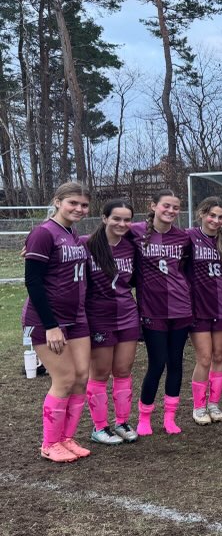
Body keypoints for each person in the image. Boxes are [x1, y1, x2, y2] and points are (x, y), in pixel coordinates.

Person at [24, 181, 93, 462]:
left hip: (76, 317)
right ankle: (49, 443)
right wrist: (51, 326)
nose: (79, 208)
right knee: (64, 379)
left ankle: (66, 437)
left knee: (81, 378)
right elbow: (33, 281)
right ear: (57, 202)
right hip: (48, 320)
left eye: (84, 205)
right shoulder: (43, 233)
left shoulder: (73, 234)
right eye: (72, 203)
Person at [132, 189, 193, 436]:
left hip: (181, 308)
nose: (170, 211)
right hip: (152, 309)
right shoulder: (135, 231)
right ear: (153, 206)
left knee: (175, 363)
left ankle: (170, 417)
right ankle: (144, 417)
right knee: (156, 363)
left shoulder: (183, 237)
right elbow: (102, 237)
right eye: (166, 205)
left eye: (175, 207)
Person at [84, 199, 140, 446]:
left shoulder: (131, 246)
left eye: (127, 219)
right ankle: (99, 427)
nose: (122, 224)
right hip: (99, 317)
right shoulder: (86, 245)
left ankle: (122, 422)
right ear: (104, 218)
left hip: (127, 315)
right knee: (100, 373)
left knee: (123, 370)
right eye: (116, 218)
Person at [187, 197, 222, 426]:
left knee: (218, 356)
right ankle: (199, 406)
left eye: (220, 217)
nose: (216, 220)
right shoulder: (188, 237)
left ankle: (214, 403)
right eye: (212, 215)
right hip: (198, 306)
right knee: (204, 357)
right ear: (201, 214)